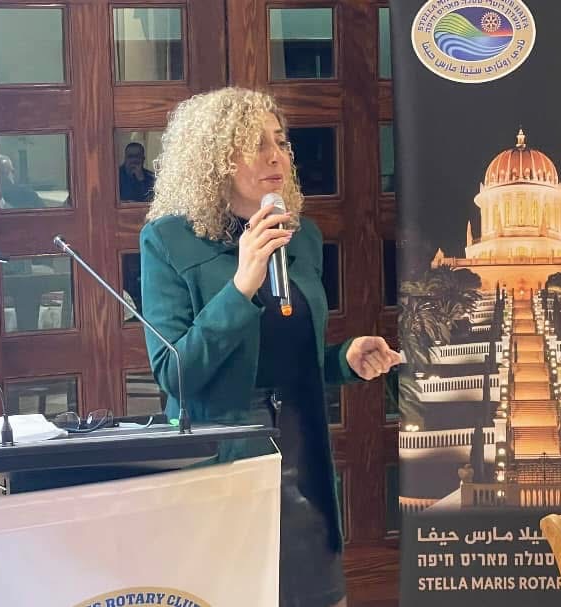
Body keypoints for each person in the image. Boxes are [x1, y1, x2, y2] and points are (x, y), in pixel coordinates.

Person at [140, 88, 400, 607]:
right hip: (223, 455)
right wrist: (241, 286)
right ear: (216, 157)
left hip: (301, 447)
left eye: (280, 142)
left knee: (319, 595)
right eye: (255, 144)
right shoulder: (169, 241)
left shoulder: (301, 236)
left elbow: (290, 357)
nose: (276, 156)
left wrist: (344, 359)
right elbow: (174, 372)